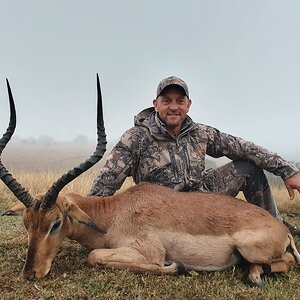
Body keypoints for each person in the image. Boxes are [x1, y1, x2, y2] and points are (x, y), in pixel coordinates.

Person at [88, 76, 300, 235]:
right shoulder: (134, 138)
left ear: (188, 105)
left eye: (180, 101)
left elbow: (244, 148)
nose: (174, 107)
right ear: (156, 104)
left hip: (203, 200)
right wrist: (82, 218)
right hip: (163, 213)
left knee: (248, 168)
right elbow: (103, 186)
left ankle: (277, 227)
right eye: (167, 100)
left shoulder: (201, 133)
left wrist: (287, 170)